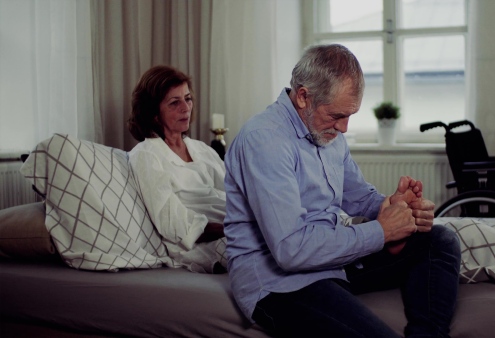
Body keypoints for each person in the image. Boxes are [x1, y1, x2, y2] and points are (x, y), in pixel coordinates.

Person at [224, 44, 461, 337]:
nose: (345, 128)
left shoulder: (326, 132)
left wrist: (395, 207)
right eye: (337, 116)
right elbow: (290, 250)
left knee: (439, 240)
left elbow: (359, 197)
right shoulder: (264, 140)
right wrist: (382, 231)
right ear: (303, 97)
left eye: (350, 115)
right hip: (281, 283)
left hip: (333, 263)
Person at [127, 65, 227, 273]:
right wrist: (236, 228)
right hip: (203, 243)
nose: (186, 108)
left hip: (237, 227)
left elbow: (234, 193)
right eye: (175, 102)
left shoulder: (202, 150)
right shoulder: (147, 155)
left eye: (188, 98)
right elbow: (172, 223)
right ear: (154, 113)